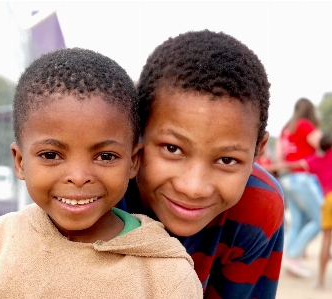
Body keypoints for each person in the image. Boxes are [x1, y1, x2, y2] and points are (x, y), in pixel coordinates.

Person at [0, 48, 203, 298]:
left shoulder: (166, 272)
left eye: (105, 156)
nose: (78, 177)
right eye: (51, 155)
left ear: (133, 162)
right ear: (20, 162)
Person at [118, 30, 285, 298]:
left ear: (258, 151)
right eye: (172, 149)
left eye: (227, 160)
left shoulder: (257, 207)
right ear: (137, 133)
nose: (194, 188)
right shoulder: (99, 193)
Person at [276, 133, 332, 289]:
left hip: (328, 201)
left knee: (325, 241)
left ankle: (320, 282)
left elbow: (290, 165)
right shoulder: (306, 127)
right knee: (317, 223)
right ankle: (294, 257)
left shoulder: (315, 161)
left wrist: (266, 168)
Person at [276, 98, 323, 278]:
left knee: (297, 223)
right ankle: (294, 256)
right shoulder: (305, 125)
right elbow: (322, 144)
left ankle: (290, 260)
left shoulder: (286, 129)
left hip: (289, 178)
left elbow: (280, 156)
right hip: (304, 178)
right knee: (320, 220)